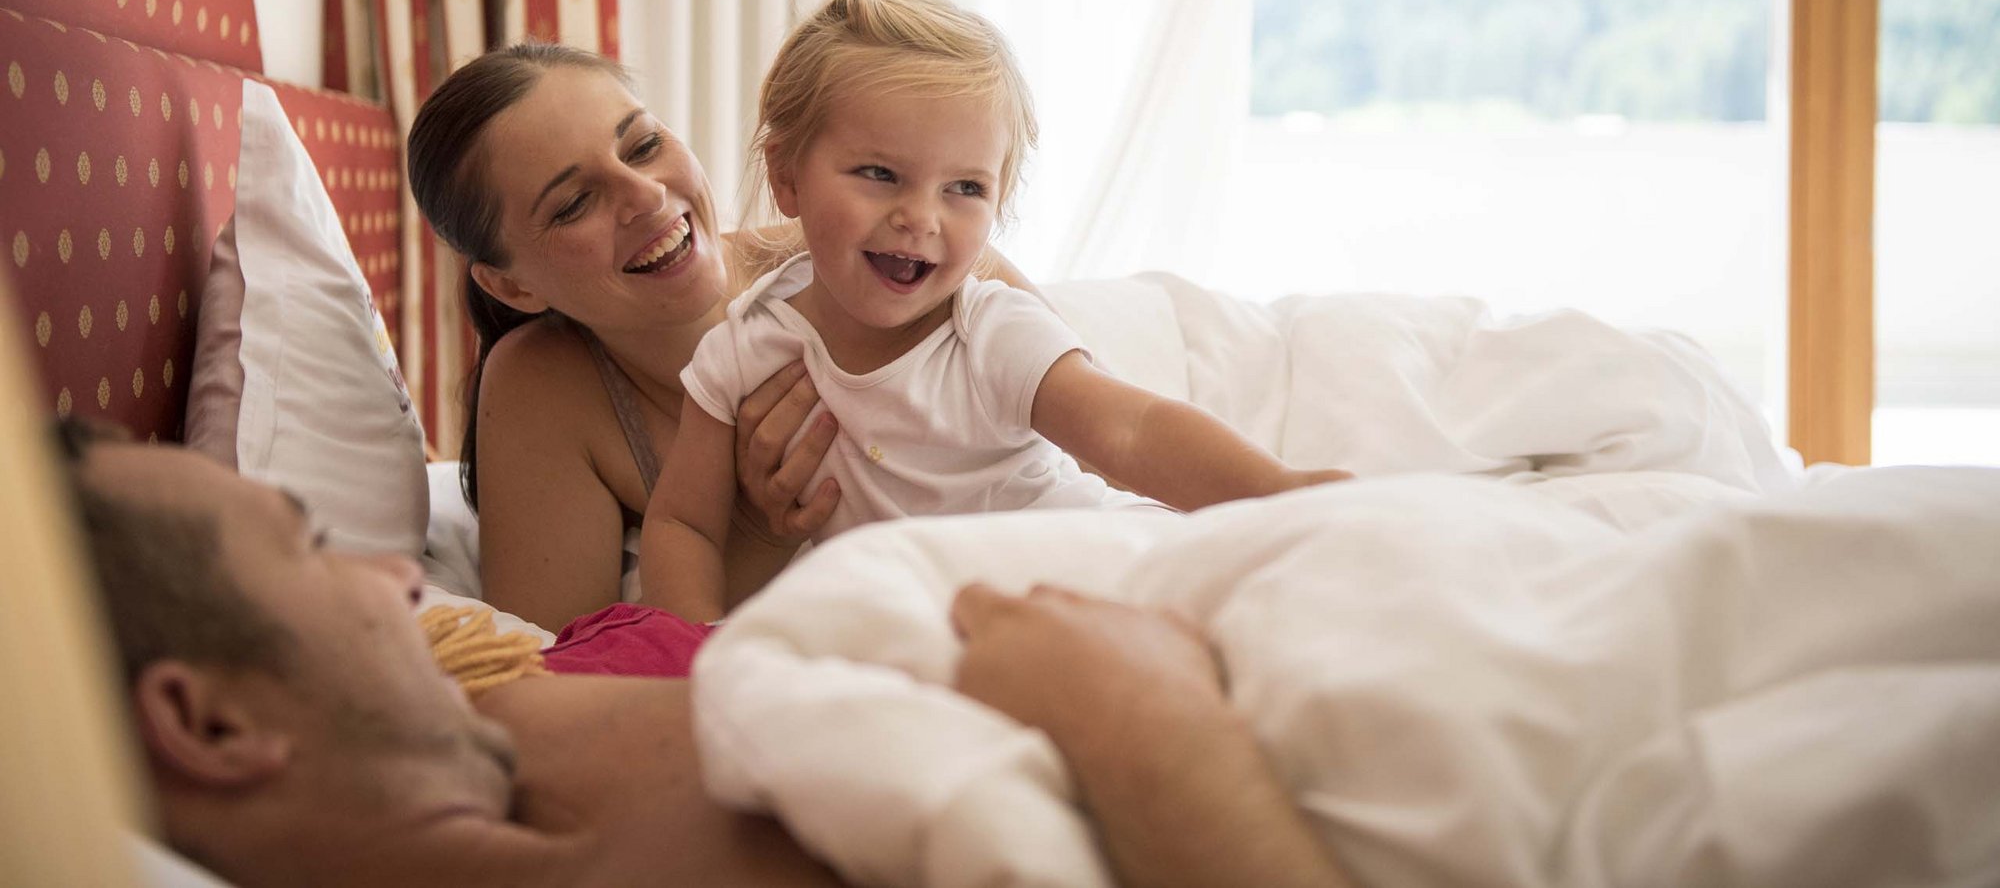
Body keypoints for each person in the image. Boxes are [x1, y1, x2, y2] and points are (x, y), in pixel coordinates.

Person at [62, 437, 1350, 888]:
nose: (399, 577)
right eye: (308, 548)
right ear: (212, 724)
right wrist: (1142, 721)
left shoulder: (505, 730)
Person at [643, 0, 1348, 622]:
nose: (921, 216)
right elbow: (684, 526)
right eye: (880, 174)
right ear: (786, 177)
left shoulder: (986, 330)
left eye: (965, 188)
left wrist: (1276, 491)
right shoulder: (744, 347)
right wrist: (697, 652)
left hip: (1092, 574)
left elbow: (1130, 430)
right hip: (937, 621)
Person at [407, 43, 1037, 633]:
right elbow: (576, 670)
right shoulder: (546, 386)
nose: (646, 194)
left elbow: (1091, 460)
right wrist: (760, 529)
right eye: (574, 203)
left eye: (643, 145)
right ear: (512, 288)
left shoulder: (893, 265)